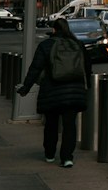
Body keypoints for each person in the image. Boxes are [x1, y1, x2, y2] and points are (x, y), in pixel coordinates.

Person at [18, 18, 89, 167]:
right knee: (70, 125)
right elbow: (86, 68)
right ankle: (67, 158)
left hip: (52, 91)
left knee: (51, 124)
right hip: (73, 92)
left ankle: (50, 154)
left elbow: (35, 68)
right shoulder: (78, 45)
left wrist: (26, 87)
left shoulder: (46, 45)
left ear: (54, 30)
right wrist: (85, 87)